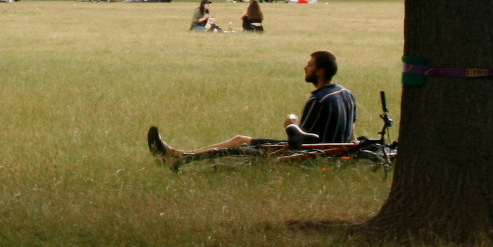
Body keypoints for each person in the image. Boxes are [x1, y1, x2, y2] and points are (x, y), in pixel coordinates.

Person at [145, 50, 357, 170]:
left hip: (315, 155)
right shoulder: (346, 94)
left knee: (239, 141)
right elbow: (353, 134)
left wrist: (290, 122)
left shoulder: (318, 100)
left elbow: (300, 142)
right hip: (337, 152)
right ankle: (179, 154)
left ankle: (180, 155)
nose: (305, 68)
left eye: (309, 65)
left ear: (319, 72)